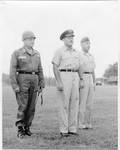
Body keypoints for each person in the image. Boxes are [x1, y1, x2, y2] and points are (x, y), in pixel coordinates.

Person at [10, 31, 45, 138]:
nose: (32, 41)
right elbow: (12, 70)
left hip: (34, 79)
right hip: (22, 78)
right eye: (30, 39)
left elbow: (40, 69)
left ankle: (27, 127)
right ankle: (20, 128)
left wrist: (42, 82)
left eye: (33, 39)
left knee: (31, 106)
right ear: (24, 40)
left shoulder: (37, 54)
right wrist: (15, 85)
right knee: (23, 105)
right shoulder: (17, 53)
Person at [52, 29, 83, 137]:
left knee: (74, 102)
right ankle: (64, 130)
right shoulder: (59, 51)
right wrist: (59, 81)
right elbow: (55, 66)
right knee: (63, 104)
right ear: (63, 39)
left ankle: (72, 129)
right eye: (69, 37)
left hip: (75, 76)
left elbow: (80, 66)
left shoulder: (76, 52)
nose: (71, 39)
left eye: (72, 37)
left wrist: (81, 79)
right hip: (64, 75)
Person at [78, 37, 96, 129]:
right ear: (81, 44)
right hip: (83, 77)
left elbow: (93, 70)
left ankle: (88, 123)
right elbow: (79, 69)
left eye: (89, 44)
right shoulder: (79, 55)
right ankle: (80, 123)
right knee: (83, 102)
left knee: (90, 103)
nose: (88, 45)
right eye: (86, 43)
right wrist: (80, 79)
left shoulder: (91, 56)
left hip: (90, 78)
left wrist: (94, 81)